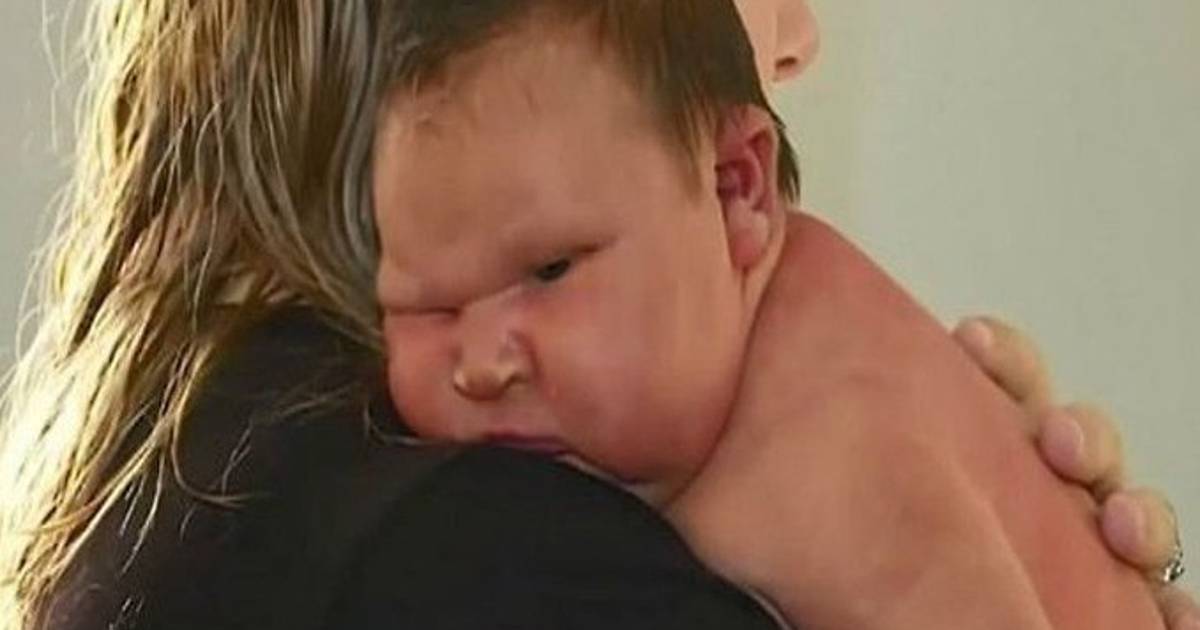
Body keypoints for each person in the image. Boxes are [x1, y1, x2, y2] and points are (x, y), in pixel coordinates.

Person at [0, 0, 1190, 628]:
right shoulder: (479, 555)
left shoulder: (194, 451)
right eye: (434, 305)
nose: (797, 38)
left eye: (550, 271)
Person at [370, 0, 1173, 627]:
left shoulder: (836, 455)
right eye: (425, 304)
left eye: (550, 272)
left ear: (735, 192)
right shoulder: (694, 360)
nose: (480, 364)